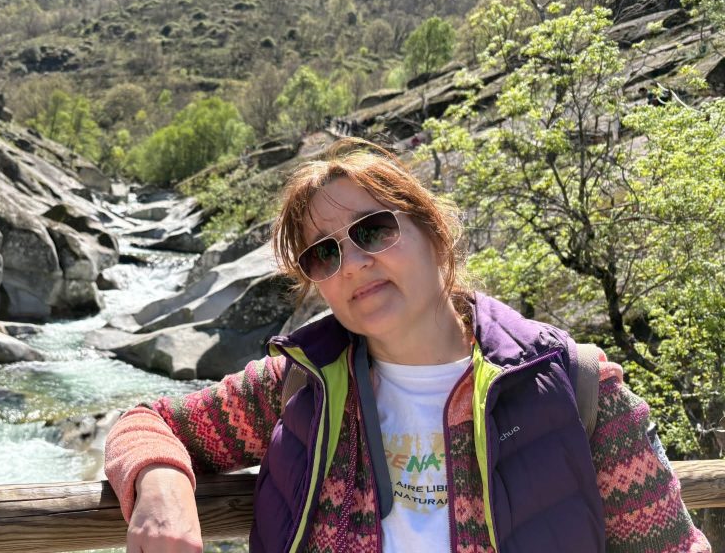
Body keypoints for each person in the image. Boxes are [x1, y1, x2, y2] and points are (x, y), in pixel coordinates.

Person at [105, 138, 711, 553]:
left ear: (434, 231)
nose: (353, 263)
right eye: (323, 254)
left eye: (373, 229)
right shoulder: (300, 386)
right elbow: (148, 422)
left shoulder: (576, 390)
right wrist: (161, 485)